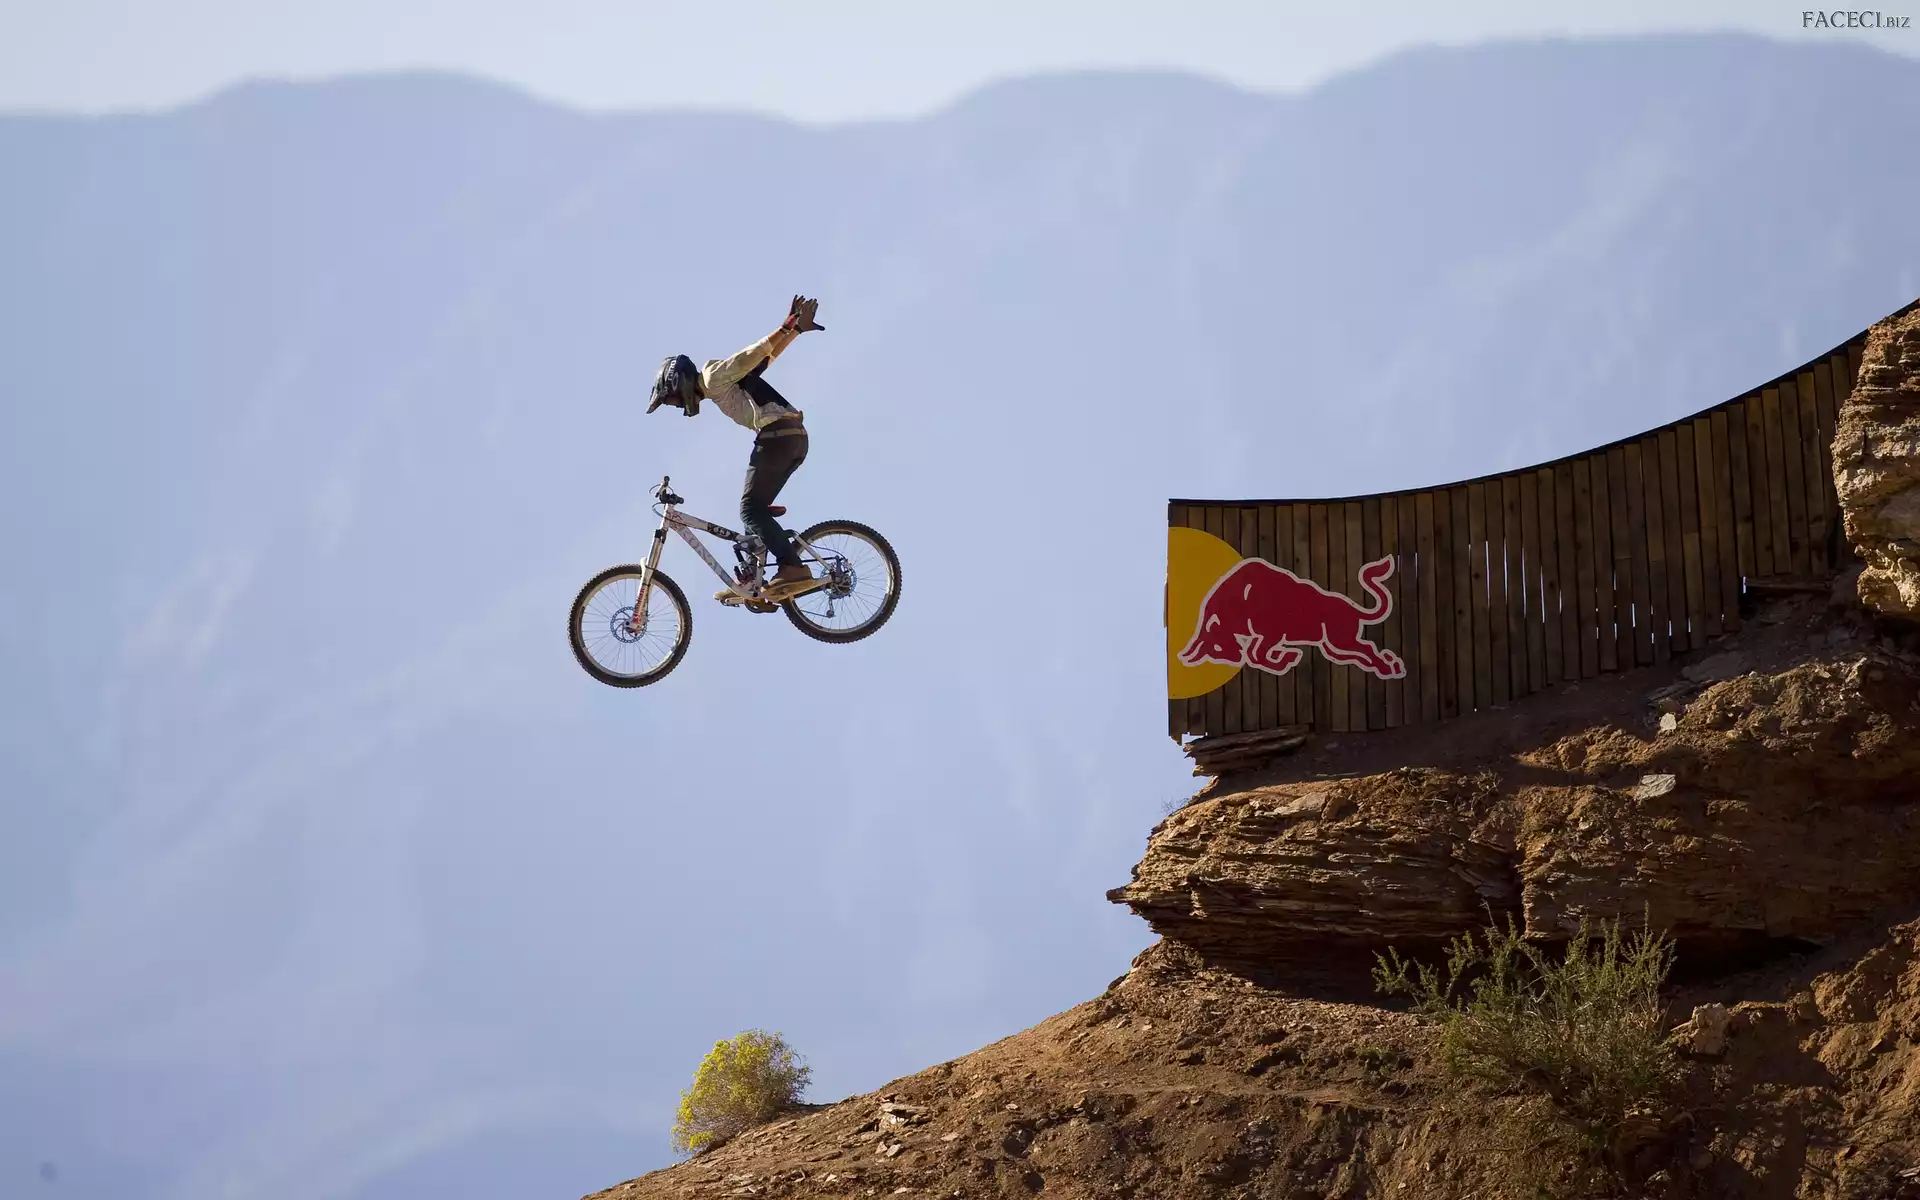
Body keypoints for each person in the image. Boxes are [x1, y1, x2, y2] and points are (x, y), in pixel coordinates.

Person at [647, 296, 826, 599]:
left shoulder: (712, 377)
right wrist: (794, 332)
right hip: (791, 438)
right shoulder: (722, 386)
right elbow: (763, 361)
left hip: (778, 437)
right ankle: (761, 586)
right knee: (751, 514)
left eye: (672, 399)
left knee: (749, 509)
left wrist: (785, 327)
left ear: (679, 383)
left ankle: (792, 568)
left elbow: (750, 355)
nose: (677, 406)